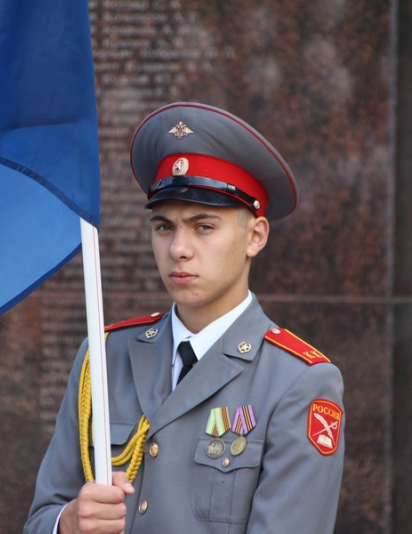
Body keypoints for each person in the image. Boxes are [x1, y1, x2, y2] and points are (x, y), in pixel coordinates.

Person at [24, 102, 345, 534]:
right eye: (164, 227)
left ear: (255, 236)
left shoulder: (297, 381)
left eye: (203, 226)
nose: (178, 248)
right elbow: (42, 516)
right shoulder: (103, 357)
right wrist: (67, 524)